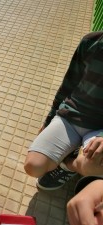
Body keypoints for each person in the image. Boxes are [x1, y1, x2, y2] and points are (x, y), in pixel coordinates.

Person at [23, 31, 103, 191]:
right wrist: (49, 119)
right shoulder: (91, 41)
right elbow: (69, 82)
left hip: (100, 129)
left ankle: (69, 165)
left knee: (97, 168)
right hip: (73, 115)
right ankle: (76, 154)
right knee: (33, 166)